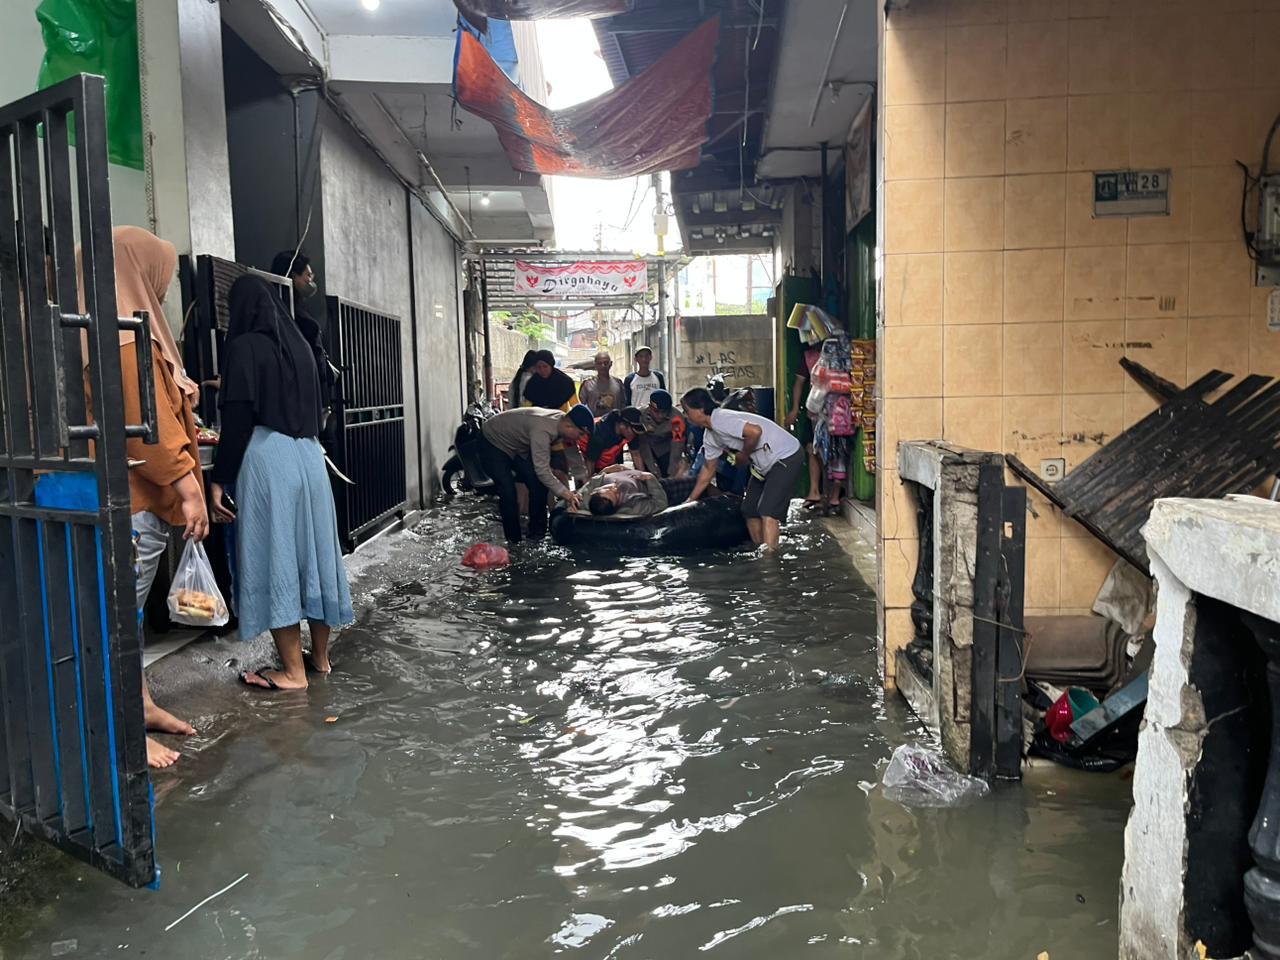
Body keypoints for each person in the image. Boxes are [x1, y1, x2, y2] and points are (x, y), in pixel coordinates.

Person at [84, 226, 209, 769]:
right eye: (160, 274)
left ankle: (139, 705)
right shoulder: (124, 332)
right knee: (112, 620)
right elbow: (147, 426)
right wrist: (189, 488)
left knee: (124, 615)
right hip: (129, 499)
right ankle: (120, 734)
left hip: (122, 496)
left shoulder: (98, 323)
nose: (162, 290)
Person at [210, 275, 354, 693]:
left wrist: (219, 480)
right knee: (315, 557)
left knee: (277, 558)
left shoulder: (241, 348)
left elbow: (237, 423)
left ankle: (292, 672)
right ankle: (321, 660)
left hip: (267, 459)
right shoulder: (301, 349)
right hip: (310, 458)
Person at [681, 387, 804, 552]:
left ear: (701, 409)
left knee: (767, 510)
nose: (685, 415)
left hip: (785, 455)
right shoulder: (710, 436)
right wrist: (690, 500)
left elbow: (755, 432)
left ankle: (770, 561)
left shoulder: (721, 419)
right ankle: (760, 549)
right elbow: (708, 469)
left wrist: (743, 455)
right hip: (763, 464)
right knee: (749, 509)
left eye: (686, 411)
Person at [478, 405, 594, 542]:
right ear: (569, 426)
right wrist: (567, 494)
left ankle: (537, 534)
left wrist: (583, 483)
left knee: (538, 484)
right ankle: (514, 542)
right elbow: (542, 471)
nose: (580, 439)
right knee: (507, 490)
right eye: (581, 434)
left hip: (517, 446)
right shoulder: (542, 431)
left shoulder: (562, 423)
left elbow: (573, 453)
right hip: (493, 441)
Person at [785, 342, 825, 510]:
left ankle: (831, 494)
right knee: (811, 448)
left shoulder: (835, 352)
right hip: (814, 409)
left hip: (835, 410)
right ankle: (815, 491)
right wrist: (794, 409)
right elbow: (799, 383)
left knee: (827, 451)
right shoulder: (809, 357)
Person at [634, 389, 688, 478]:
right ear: (650, 407)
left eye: (664, 412)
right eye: (656, 412)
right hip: (646, 446)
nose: (660, 415)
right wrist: (652, 469)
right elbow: (642, 445)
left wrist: (672, 471)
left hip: (665, 447)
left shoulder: (677, 419)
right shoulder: (640, 415)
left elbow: (677, 445)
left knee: (669, 473)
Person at [581, 466, 669, 518]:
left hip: (626, 471)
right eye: (616, 495)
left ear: (596, 490)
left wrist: (605, 470)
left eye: (608, 489)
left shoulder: (589, 497)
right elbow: (660, 503)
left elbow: (581, 493)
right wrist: (650, 478)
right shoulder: (632, 507)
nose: (615, 489)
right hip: (654, 484)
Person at [580, 406, 646, 473]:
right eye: (634, 432)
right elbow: (590, 462)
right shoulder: (600, 433)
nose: (635, 436)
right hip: (586, 459)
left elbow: (636, 455)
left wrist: (643, 477)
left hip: (608, 461)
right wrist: (592, 481)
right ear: (622, 425)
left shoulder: (630, 433)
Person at [578, 351, 626, 416]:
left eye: (606, 363)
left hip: (614, 423)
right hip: (594, 424)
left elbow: (623, 405)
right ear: (595, 364)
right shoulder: (587, 384)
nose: (603, 366)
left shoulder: (618, 383)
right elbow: (581, 407)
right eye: (599, 363)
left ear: (611, 364)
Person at [623, 345, 666, 410]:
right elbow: (627, 402)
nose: (644, 359)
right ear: (636, 359)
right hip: (637, 416)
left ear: (650, 357)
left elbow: (664, 397)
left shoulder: (658, 377)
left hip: (656, 416)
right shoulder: (630, 379)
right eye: (641, 356)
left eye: (646, 356)